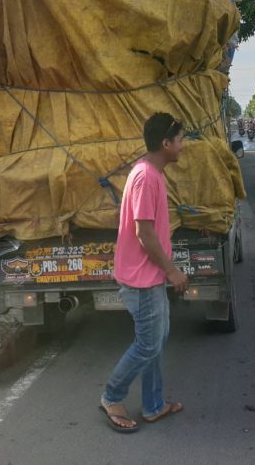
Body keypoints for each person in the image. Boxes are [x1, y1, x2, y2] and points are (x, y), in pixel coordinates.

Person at [99, 112, 189, 433]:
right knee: (148, 344)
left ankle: (152, 405)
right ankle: (112, 396)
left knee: (156, 340)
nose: (183, 146)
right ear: (165, 143)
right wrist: (172, 271)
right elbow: (144, 233)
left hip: (149, 276)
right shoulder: (146, 177)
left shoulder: (151, 172)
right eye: (179, 140)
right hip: (142, 278)